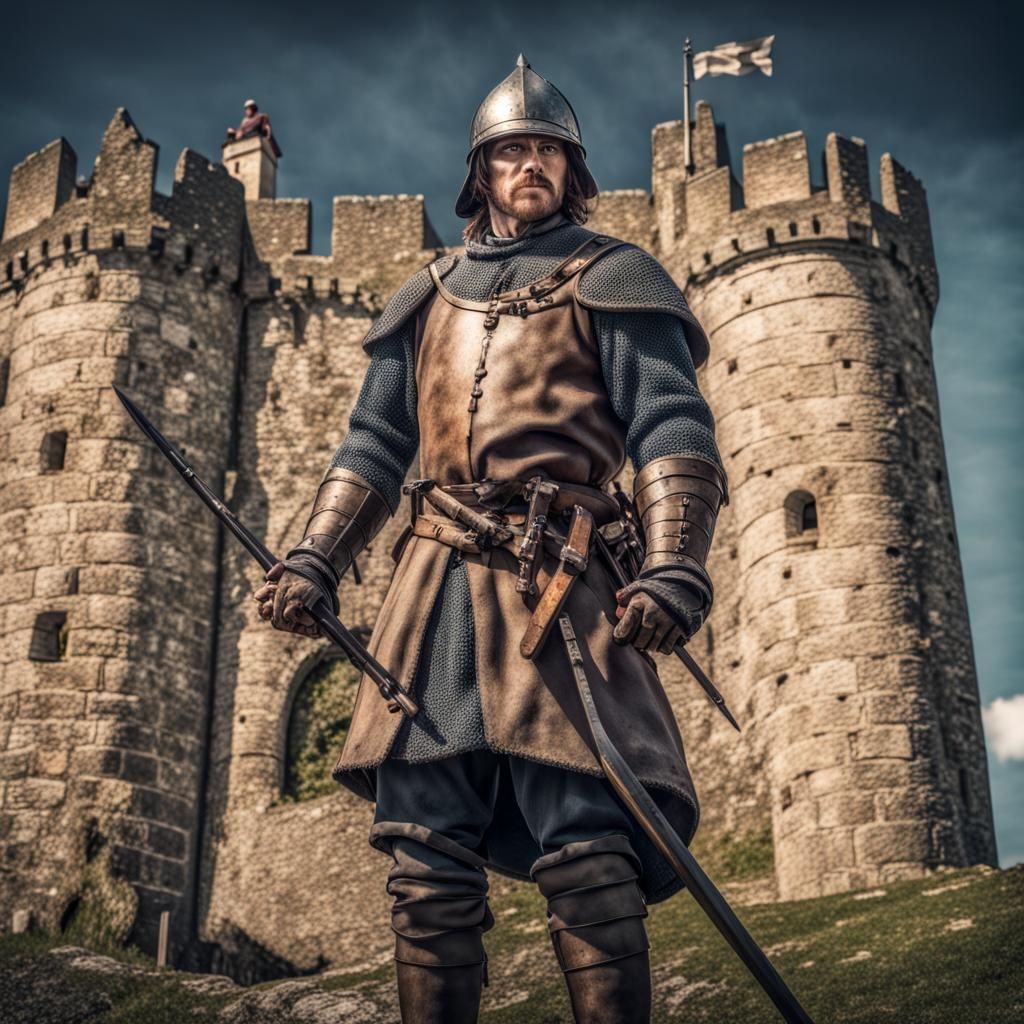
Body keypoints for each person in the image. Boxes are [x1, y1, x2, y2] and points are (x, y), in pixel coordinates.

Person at [254, 54, 727, 1024]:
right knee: (426, 859)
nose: (529, 166)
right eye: (511, 151)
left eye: (547, 150)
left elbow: (671, 428)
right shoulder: (424, 295)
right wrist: (315, 557)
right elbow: (375, 447)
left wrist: (675, 563)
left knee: (588, 846)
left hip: (560, 580)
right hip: (434, 593)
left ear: (571, 169)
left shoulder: (614, 276)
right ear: (481, 170)